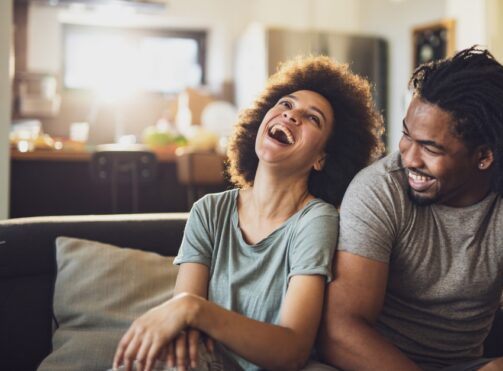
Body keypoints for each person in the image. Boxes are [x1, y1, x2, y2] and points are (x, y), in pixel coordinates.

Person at [319, 46, 503, 371]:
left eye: (430, 148)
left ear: (484, 157)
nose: (409, 157)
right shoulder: (379, 189)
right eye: (407, 135)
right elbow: (340, 330)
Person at [112, 55, 384, 371]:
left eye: (313, 118)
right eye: (286, 104)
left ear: (321, 158)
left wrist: (194, 310)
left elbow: (293, 349)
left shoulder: (316, 220)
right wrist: (187, 314)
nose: (292, 115)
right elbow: (183, 328)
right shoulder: (208, 212)